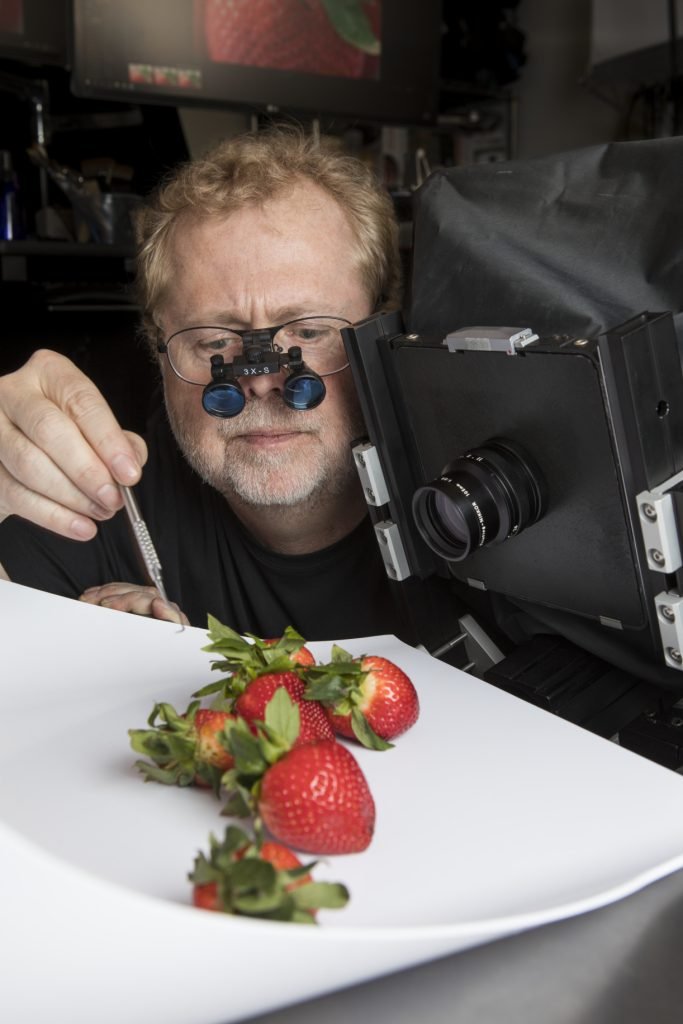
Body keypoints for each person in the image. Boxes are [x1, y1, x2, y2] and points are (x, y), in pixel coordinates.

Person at [0, 125, 445, 644]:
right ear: (158, 349)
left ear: (382, 334)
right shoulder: (99, 499)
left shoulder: (462, 500)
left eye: (308, 332)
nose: (262, 383)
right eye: (214, 342)